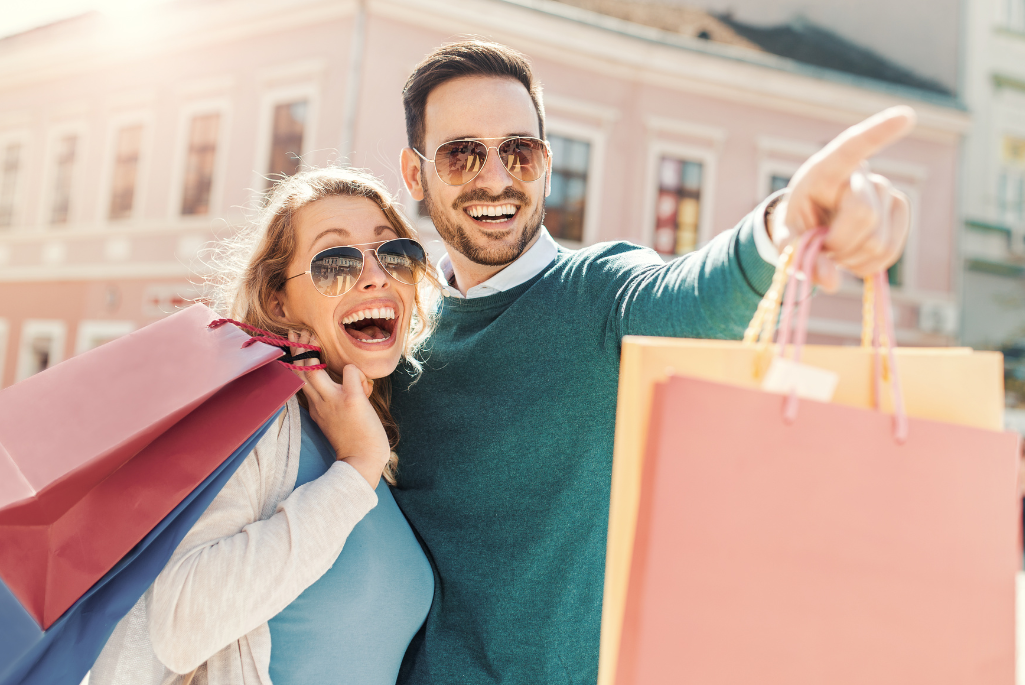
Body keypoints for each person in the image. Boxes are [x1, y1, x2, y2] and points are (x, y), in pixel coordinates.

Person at [389, 40, 913, 683]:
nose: (496, 179)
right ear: (415, 175)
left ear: (546, 164)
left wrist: (783, 226)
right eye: (461, 155)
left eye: (519, 152)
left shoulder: (602, 292)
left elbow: (688, 301)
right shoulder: (399, 338)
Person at [92, 167, 440, 685]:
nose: (376, 276)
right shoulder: (257, 423)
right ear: (279, 300)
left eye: (395, 254)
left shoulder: (376, 432)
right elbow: (179, 623)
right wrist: (355, 470)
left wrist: (366, 457)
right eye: (335, 261)